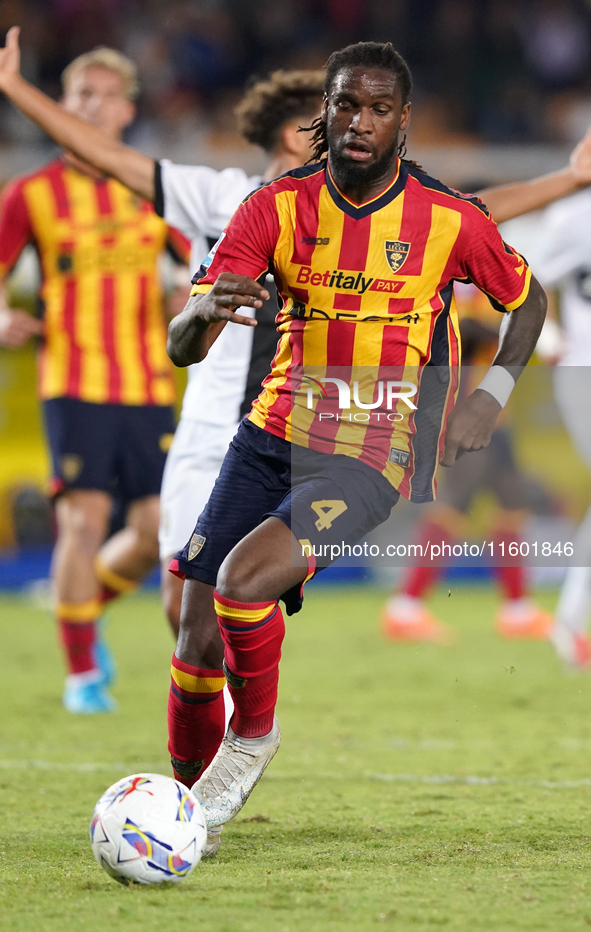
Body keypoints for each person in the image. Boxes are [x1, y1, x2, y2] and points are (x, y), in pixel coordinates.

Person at [165, 40, 546, 842]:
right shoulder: (273, 207)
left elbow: (528, 298)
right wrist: (200, 315)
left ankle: (253, 738)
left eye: (378, 108)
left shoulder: (448, 218)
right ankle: (180, 815)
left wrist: (490, 396)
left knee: (242, 583)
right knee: (194, 639)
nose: (359, 121)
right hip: (268, 435)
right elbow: (182, 344)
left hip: (372, 452)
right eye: (346, 105)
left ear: (403, 122)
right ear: (325, 112)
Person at [0, 47, 190, 714]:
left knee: (152, 531)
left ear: (128, 110)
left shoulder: (154, 188)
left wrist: (188, 300)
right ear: (63, 102)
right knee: (84, 521)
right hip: (72, 379)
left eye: (107, 94)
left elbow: (201, 269)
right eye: (82, 92)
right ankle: (82, 674)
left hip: (147, 384)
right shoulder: (31, 193)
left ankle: (79, 612)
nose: (93, 104)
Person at [381, 281, 553, 643]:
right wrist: (519, 330)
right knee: (457, 500)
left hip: (492, 414)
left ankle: (517, 608)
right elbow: (456, 328)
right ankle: (405, 606)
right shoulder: (460, 274)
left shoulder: (497, 273)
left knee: (511, 498)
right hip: (463, 410)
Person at [526, 192, 591, 668]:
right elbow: (529, 285)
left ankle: (569, 624)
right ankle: (570, 623)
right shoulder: (572, 215)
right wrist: (551, 341)